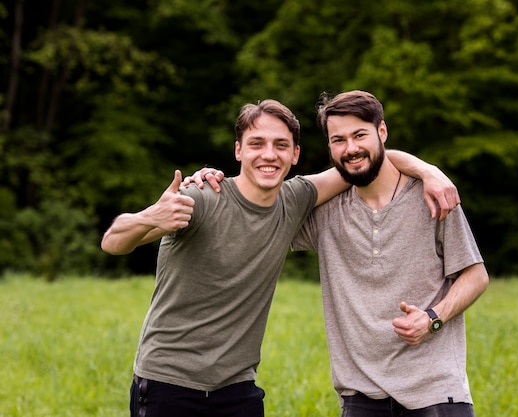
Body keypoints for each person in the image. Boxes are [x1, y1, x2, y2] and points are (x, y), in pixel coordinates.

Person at [101, 98, 460, 417]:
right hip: (168, 382)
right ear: (239, 150)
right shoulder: (203, 197)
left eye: (280, 145)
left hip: (238, 388)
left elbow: (363, 161)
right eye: (256, 144)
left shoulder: (296, 198)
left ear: (295, 154)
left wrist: (428, 171)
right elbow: (113, 242)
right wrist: (151, 217)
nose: (269, 155)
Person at [289, 90, 489, 416]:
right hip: (360, 396)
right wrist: (207, 184)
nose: (351, 148)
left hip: (436, 390)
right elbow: (257, 213)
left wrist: (432, 319)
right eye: (338, 139)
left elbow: (476, 274)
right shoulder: (325, 213)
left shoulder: (433, 197)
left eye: (359, 135)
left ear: (381, 132)